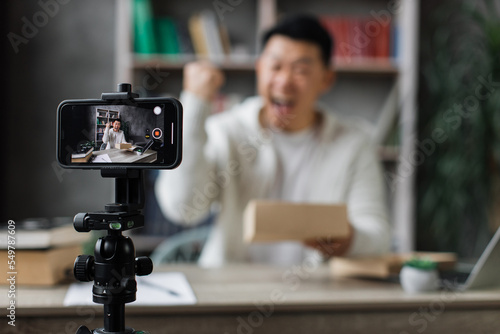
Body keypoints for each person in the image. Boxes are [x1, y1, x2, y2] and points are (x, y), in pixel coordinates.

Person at [155, 14, 391, 267]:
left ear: (326, 79)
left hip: (315, 291)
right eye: (275, 67)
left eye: (300, 70)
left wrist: (347, 240)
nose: (284, 81)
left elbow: (378, 237)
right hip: (230, 288)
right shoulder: (228, 130)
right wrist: (195, 103)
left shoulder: (354, 143)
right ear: (259, 69)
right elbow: (183, 208)